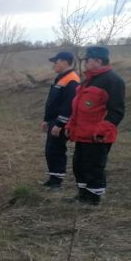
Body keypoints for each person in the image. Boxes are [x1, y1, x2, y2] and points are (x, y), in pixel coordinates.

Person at [65, 46, 126, 205]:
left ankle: (93, 199)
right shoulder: (88, 80)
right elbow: (78, 107)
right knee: (79, 165)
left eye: (87, 60)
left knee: (93, 167)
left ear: (98, 61)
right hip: (81, 134)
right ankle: (83, 195)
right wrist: (71, 126)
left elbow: (116, 111)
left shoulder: (113, 81)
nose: (85, 63)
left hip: (97, 136)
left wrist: (101, 131)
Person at [41, 51, 80, 189]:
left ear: (65, 62)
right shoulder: (61, 77)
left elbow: (69, 105)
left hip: (60, 122)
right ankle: (53, 177)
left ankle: (56, 181)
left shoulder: (72, 79)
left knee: (56, 149)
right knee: (51, 149)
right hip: (53, 120)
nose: (53, 65)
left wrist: (59, 124)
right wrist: (46, 119)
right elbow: (53, 101)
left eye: (55, 62)